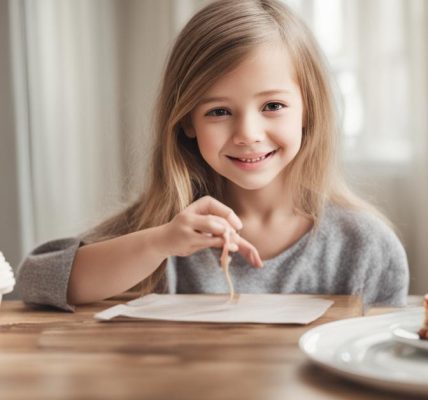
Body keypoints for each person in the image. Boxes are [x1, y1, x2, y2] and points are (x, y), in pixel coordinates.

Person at [16, 0, 409, 312]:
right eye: (218, 111)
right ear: (187, 122)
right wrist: (158, 243)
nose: (248, 135)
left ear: (309, 110)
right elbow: (34, 281)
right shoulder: (164, 229)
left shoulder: (365, 247)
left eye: (272, 105)